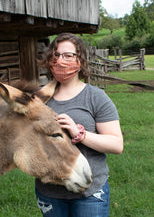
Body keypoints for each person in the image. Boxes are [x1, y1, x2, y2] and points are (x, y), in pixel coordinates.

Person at [35, 33, 123, 217]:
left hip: (89, 191)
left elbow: (116, 145)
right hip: (50, 192)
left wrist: (79, 133)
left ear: (80, 60)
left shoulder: (95, 97)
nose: (61, 61)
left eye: (68, 55)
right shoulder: (39, 98)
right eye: (56, 55)